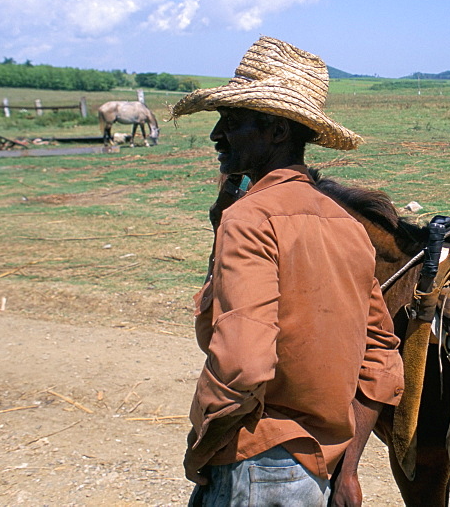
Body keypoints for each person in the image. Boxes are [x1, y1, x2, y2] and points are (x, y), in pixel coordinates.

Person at [172, 36, 404, 507]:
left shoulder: (250, 219)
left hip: (255, 466)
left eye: (232, 122)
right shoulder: (348, 226)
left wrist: (203, 444)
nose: (217, 135)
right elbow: (380, 358)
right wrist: (348, 467)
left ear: (278, 132)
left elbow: (243, 362)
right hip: (319, 469)